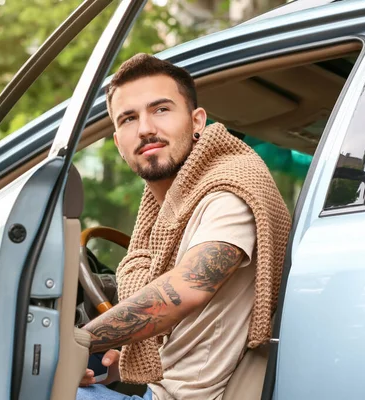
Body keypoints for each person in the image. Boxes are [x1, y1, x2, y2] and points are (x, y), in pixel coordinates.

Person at [76, 54, 292, 400]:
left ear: (197, 122)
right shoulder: (167, 211)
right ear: (118, 143)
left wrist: (78, 341)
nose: (145, 128)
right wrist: (123, 359)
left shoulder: (229, 192)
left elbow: (183, 291)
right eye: (129, 118)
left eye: (161, 109)